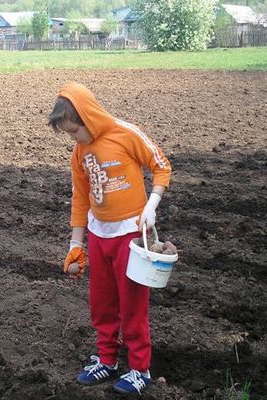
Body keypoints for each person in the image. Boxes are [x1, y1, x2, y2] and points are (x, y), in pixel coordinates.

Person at [48, 82, 172, 395]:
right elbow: (80, 198)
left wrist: (152, 206)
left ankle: (140, 369)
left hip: (130, 236)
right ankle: (107, 359)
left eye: (75, 131)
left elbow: (161, 167)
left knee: (132, 305)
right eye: (69, 134)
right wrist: (76, 244)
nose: (74, 139)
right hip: (98, 236)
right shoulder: (80, 153)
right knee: (101, 303)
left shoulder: (125, 133)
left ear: (89, 118)